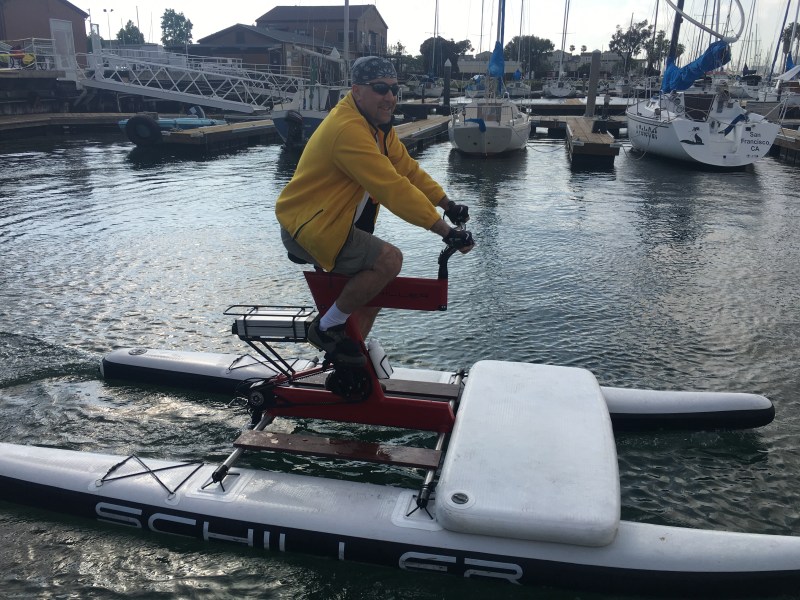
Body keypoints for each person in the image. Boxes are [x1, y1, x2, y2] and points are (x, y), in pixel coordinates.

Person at [275, 56, 474, 367]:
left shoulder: (378, 128)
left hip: (330, 224)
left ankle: (343, 360)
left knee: (373, 291)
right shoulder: (348, 130)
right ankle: (324, 329)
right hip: (311, 228)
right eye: (381, 89)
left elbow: (407, 170)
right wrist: (444, 230)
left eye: (395, 89)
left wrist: (447, 204)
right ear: (356, 91)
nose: (390, 97)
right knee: (389, 260)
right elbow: (391, 187)